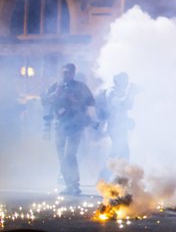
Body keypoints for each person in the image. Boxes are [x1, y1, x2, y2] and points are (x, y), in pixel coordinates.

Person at [42, 63, 96, 195]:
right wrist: (56, 94)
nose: (66, 75)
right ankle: (68, 185)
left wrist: (75, 99)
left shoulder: (80, 86)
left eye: (69, 72)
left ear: (73, 73)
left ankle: (75, 184)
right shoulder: (55, 86)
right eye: (64, 72)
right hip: (60, 125)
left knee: (70, 154)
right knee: (61, 156)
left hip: (75, 125)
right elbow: (45, 102)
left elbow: (91, 102)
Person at [95, 72, 135, 179]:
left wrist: (132, 95)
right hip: (115, 127)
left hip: (121, 127)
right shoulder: (111, 92)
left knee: (121, 154)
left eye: (126, 81)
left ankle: (111, 179)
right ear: (117, 81)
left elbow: (128, 106)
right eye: (124, 81)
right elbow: (119, 105)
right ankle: (104, 178)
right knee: (119, 154)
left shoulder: (121, 92)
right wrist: (130, 93)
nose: (126, 83)